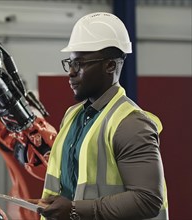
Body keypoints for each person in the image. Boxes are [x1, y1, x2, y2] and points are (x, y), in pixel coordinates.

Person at [29, 12, 168, 220]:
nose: (71, 72)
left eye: (79, 63)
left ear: (110, 65)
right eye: (70, 62)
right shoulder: (73, 116)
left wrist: (75, 209)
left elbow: (147, 200)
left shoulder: (131, 124)